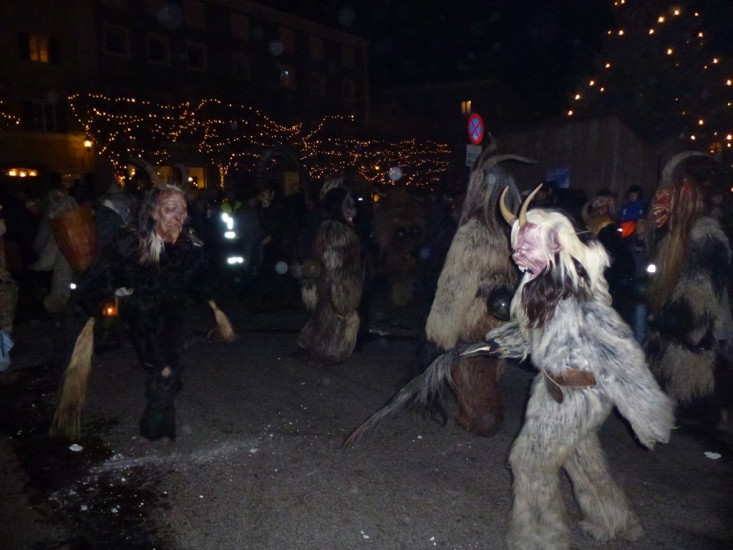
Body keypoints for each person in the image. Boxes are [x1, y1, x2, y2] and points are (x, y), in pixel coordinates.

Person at [345, 184, 674, 550]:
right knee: (581, 457)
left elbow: (623, 357)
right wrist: (494, 344)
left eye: (527, 246)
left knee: (530, 461)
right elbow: (533, 337)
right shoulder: (542, 288)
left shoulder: (581, 301)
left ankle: (540, 540)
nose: (517, 254)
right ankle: (614, 520)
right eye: (517, 245)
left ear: (555, 246)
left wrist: (649, 415)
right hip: (557, 388)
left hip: (576, 393)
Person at [51, 183, 235, 441]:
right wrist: (93, 305)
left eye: (183, 209)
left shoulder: (190, 246)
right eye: (170, 209)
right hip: (141, 313)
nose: (179, 216)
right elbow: (101, 277)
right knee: (153, 362)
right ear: (153, 212)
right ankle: (163, 387)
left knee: (167, 366)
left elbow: (202, 279)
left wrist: (212, 300)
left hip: (173, 314)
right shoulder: (130, 244)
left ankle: (157, 420)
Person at [644, 152, 733, 429]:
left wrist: (667, 316)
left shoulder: (705, 237)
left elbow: (697, 310)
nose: (662, 200)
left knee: (694, 428)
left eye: (670, 192)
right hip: (670, 346)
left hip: (694, 355)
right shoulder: (677, 235)